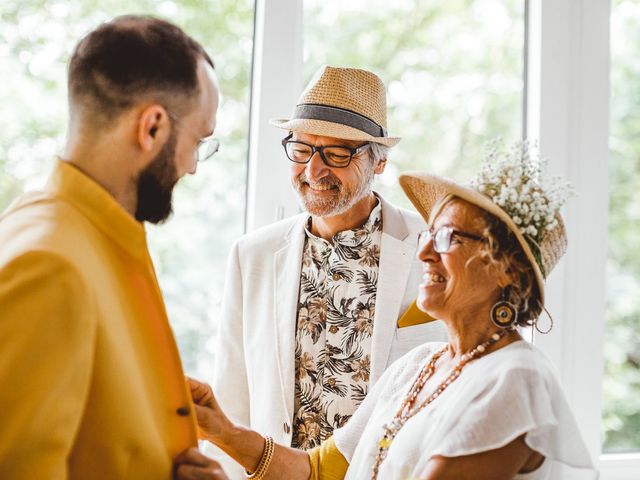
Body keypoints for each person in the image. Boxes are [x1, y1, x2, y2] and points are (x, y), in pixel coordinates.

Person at [174, 142, 597, 479]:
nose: (425, 251)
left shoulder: (515, 380)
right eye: (429, 234)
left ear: (505, 268)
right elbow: (319, 470)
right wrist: (223, 431)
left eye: (449, 238)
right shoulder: (418, 366)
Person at [0, 15, 220, 479]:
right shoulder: (49, 267)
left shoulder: (57, 227)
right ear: (153, 128)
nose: (193, 167)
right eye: (199, 141)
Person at [208, 65, 446, 477]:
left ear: (380, 161)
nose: (314, 171)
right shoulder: (252, 256)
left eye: (337, 154)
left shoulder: (436, 247)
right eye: (301, 150)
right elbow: (233, 402)